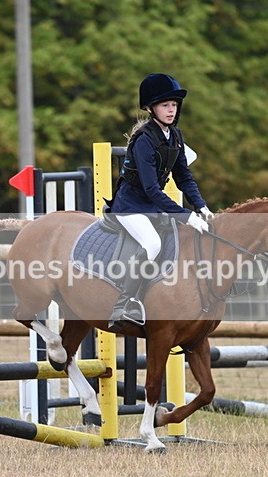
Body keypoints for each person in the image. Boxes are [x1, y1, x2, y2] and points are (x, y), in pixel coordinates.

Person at [107, 73, 214, 330]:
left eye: (174, 105)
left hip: (153, 207)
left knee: (182, 241)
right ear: (150, 107)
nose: (171, 110)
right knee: (153, 244)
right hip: (130, 206)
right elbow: (151, 189)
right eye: (165, 105)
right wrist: (185, 215)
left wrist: (201, 206)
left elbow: (184, 177)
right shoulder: (144, 140)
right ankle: (124, 304)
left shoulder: (175, 136)